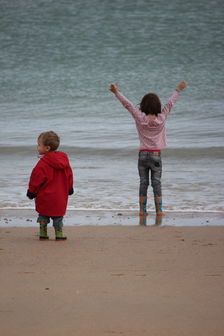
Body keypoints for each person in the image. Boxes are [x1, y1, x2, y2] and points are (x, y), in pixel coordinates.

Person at [109, 81, 187, 217]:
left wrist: (116, 92)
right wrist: (178, 90)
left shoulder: (140, 118)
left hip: (143, 155)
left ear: (143, 106)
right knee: (156, 183)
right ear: (158, 106)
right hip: (156, 155)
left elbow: (128, 105)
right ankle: (159, 210)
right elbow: (170, 104)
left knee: (143, 183)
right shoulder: (161, 118)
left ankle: (142, 211)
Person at [27, 131, 74, 240]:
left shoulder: (42, 163)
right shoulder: (64, 160)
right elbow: (69, 175)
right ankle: (59, 234)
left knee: (43, 215)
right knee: (58, 217)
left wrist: (32, 192)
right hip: (60, 197)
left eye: (39, 145)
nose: (37, 147)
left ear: (47, 148)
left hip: (45, 196)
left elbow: (36, 179)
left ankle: (43, 233)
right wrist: (70, 188)